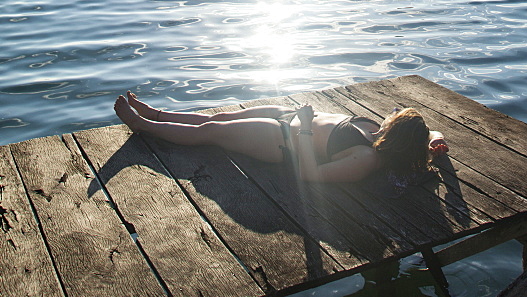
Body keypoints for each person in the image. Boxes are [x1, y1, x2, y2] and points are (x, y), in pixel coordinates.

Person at [114, 93, 449, 185]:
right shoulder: (381, 132)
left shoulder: (367, 158)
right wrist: (435, 142)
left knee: (211, 133)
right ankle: (159, 114)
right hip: (290, 116)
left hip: (282, 141)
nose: (390, 113)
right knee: (219, 117)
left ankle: (144, 125)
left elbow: (310, 175)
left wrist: (304, 127)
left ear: (397, 131)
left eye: (396, 115)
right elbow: (431, 133)